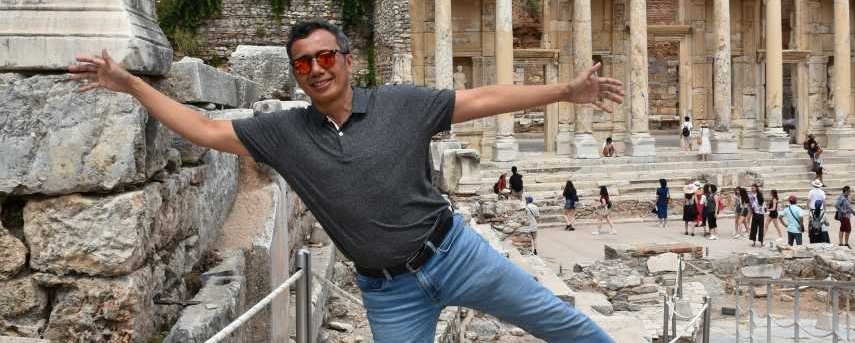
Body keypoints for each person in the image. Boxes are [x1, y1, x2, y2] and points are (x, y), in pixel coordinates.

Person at [68, 18, 622, 343]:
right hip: (389, 292)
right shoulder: (284, 133)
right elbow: (205, 129)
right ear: (296, 75)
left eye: (325, 56)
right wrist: (131, 84)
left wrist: (565, 92)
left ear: (348, 60)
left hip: (455, 254)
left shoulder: (402, 105)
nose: (317, 69)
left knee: (566, 327)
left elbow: (482, 98)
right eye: (303, 64)